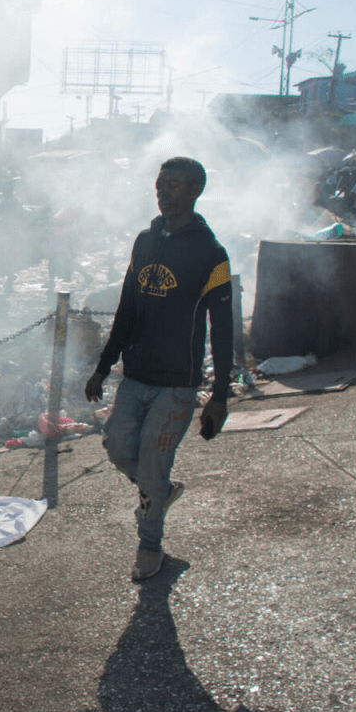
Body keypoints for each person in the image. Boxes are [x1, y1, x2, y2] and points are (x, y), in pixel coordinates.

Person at [84, 156, 233, 582]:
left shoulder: (211, 254)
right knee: (115, 446)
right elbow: (127, 308)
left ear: (194, 191)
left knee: (153, 458)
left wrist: (221, 395)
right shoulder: (144, 242)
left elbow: (222, 331)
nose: (162, 191)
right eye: (160, 183)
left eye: (173, 185)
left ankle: (150, 548)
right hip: (136, 377)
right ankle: (161, 492)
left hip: (177, 384)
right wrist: (104, 365)